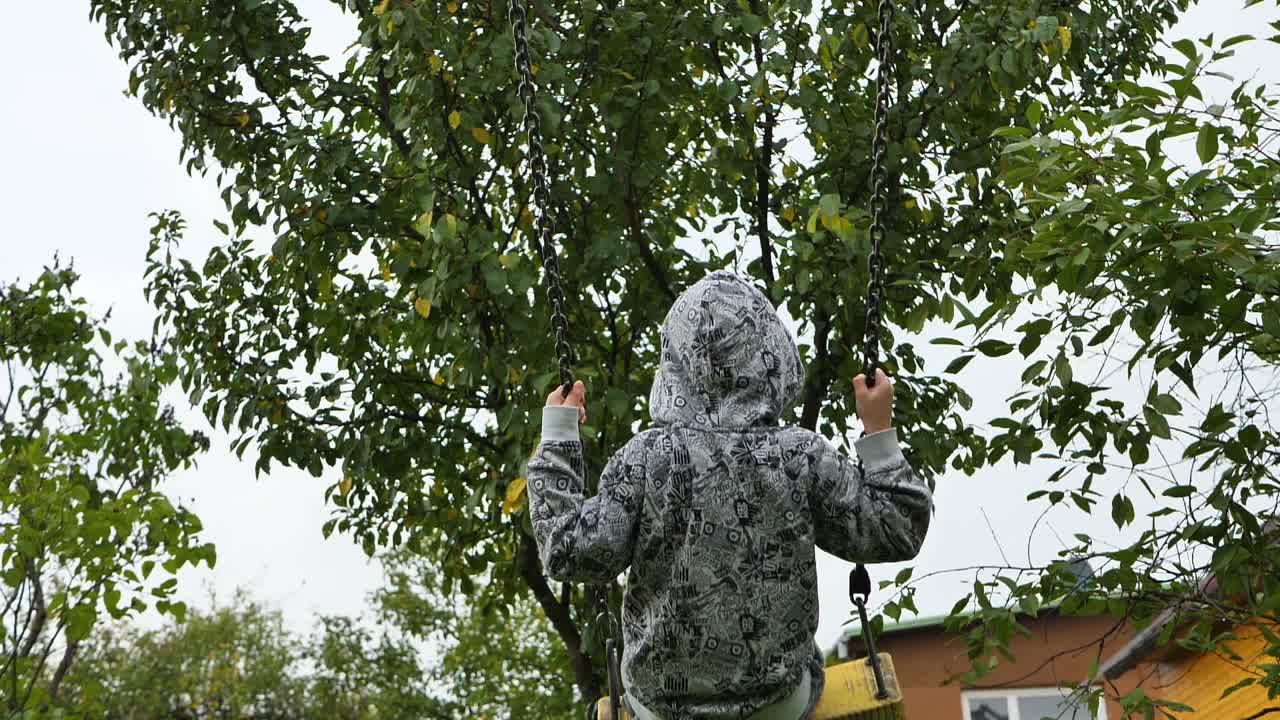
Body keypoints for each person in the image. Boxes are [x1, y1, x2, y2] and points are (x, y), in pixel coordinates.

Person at [527, 271, 932, 720]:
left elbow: (566, 551)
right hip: (778, 705)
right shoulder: (800, 456)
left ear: (675, 362)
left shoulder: (645, 459)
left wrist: (559, 437)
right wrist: (877, 430)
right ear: (771, 353)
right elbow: (897, 530)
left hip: (661, 709)